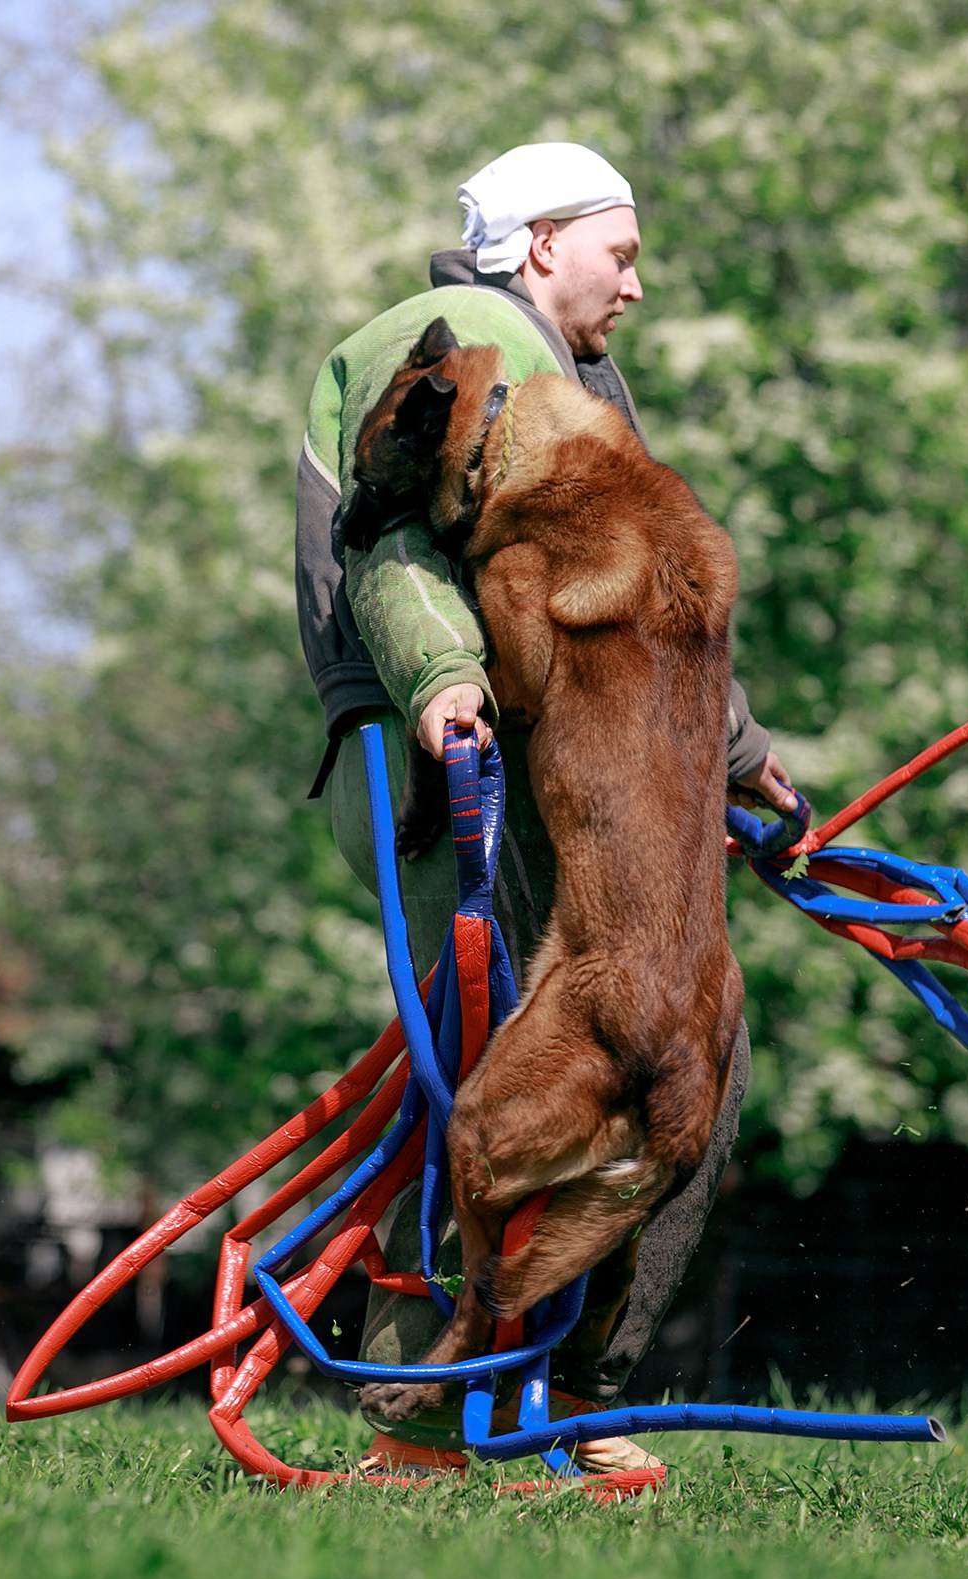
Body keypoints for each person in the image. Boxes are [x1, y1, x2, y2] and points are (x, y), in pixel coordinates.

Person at [293, 142, 796, 1478]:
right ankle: (432, 1424)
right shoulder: (444, 352)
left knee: (691, 1064)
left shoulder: (575, 385)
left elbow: (651, 612)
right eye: (619, 253)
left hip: (551, 766)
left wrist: (742, 757)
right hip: (452, 764)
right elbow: (381, 541)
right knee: (494, 1074)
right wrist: (446, 675)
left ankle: (574, 1396)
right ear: (536, 243)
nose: (637, 283)